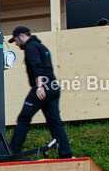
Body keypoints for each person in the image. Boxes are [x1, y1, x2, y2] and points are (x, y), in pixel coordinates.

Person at [8, 26, 72, 159]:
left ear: (21, 36)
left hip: (43, 87)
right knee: (54, 122)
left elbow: (37, 67)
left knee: (24, 118)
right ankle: (66, 154)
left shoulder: (30, 47)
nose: (17, 44)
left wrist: (39, 87)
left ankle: (13, 153)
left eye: (16, 40)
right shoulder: (41, 47)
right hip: (53, 87)